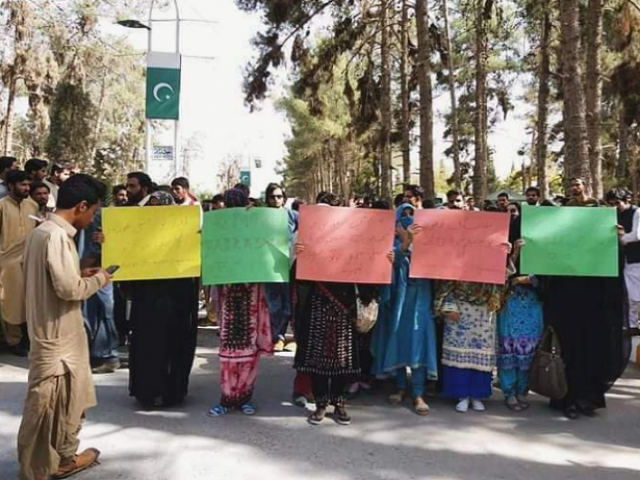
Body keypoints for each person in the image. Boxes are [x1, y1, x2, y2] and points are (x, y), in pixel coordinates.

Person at [17, 174, 111, 480]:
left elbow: (53, 279)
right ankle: (39, 469)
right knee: (47, 409)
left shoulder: (41, 232)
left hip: (58, 334)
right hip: (56, 339)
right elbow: (70, 290)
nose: (93, 217)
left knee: (71, 402)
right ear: (81, 205)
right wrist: (99, 279)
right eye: (93, 211)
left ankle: (65, 456)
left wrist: (81, 271)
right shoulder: (56, 236)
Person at [542, 198, 627, 419]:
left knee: (593, 352)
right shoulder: (563, 239)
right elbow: (548, 271)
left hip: (596, 307)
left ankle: (588, 399)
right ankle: (568, 399)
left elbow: (615, 273)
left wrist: (617, 242)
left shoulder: (605, 241)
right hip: (567, 306)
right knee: (570, 353)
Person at [127, 190, 199, 408]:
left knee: (174, 344)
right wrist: (106, 240)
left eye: (160, 206)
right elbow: (123, 255)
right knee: (147, 346)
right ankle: (147, 392)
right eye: (152, 205)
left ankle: (173, 393)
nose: (155, 210)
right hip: (147, 300)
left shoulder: (183, 231)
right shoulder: (136, 232)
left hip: (176, 300)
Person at [293, 191, 360, 426]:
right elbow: (297, 278)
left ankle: (339, 402)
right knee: (317, 358)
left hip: (344, 307)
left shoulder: (353, 237)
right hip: (318, 303)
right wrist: (298, 256)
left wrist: (385, 259)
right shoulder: (307, 237)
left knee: (343, 358)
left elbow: (366, 269)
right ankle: (321, 403)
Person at [208, 188, 273, 417]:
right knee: (229, 353)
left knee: (248, 351)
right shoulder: (218, 227)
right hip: (229, 296)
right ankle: (227, 398)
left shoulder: (257, 224)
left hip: (251, 296)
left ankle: (244, 397)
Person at [370, 203, 437, 415]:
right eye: (403, 214)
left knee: (419, 342)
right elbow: (392, 263)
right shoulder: (390, 245)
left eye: (412, 214)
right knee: (398, 340)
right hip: (398, 303)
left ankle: (418, 393)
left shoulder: (432, 245)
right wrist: (405, 242)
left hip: (421, 302)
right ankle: (399, 387)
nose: (408, 218)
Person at [435, 269, 511, 413]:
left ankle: (477, 395)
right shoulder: (459, 250)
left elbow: (502, 275)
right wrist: (449, 306)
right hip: (459, 308)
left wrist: (511, 254)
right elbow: (446, 278)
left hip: (484, 310)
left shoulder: (491, 251)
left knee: (480, 352)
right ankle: (461, 395)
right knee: (459, 353)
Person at [497, 239, 544, 412]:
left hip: (533, 305)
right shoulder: (508, 245)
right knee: (509, 348)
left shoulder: (545, 250)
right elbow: (501, 274)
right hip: (510, 303)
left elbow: (549, 277)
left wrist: (530, 279)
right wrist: (514, 253)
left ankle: (522, 391)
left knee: (529, 349)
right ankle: (509, 392)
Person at [0, 170, 38, 357]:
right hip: (7, 263)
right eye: (22, 185)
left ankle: (30, 338)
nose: (26, 188)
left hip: (30, 260)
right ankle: (14, 341)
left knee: (30, 301)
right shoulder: (2, 207)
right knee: (11, 302)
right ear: (10, 186)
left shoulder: (32, 206)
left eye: (27, 184)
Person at [78, 208, 120, 374]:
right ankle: (101, 353)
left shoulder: (95, 215)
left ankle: (107, 355)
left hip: (96, 270)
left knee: (102, 312)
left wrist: (82, 268)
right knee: (96, 312)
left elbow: (95, 246)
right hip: (96, 270)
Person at [264, 182, 298, 352]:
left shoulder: (293, 216)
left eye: (279, 196)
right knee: (274, 303)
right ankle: (278, 336)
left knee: (290, 302)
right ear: (267, 199)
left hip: (290, 265)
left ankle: (291, 337)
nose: (276, 199)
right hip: (269, 266)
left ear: (284, 198)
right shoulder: (261, 216)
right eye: (272, 197)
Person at [606, 188, 640, 334]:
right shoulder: (614, 214)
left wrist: (621, 237)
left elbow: (637, 235)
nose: (615, 206)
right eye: (611, 204)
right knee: (631, 294)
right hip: (625, 259)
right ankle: (632, 326)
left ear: (627, 200)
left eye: (617, 203)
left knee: (635, 295)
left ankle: (634, 325)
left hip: (637, 258)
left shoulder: (637, 212)